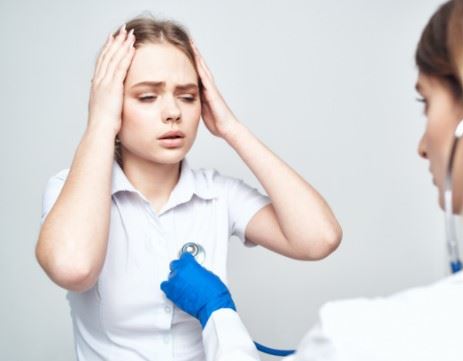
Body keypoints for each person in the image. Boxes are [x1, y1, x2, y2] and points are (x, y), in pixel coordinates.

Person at [160, 0, 463, 360]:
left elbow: (320, 236)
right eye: (146, 96)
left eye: (425, 103)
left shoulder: (359, 338)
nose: (422, 146)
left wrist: (216, 312)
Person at [36, 16, 342, 361]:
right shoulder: (70, 190)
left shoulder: (218, 195)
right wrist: (100, 123)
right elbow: (72, 267)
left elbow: (320, 238)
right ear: (113, 102)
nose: (172, 113)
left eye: (187, 96)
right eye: (147, 96)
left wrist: (230, 127)